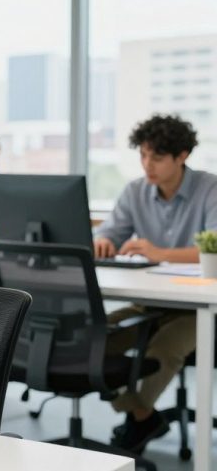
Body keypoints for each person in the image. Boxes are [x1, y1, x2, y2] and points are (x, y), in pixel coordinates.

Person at [94, 114, 217, 453]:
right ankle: (143, 414)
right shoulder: (136, 190)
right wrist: (104, 240)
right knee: (94, 336)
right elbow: (110, 231)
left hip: (199, 308)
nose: (148, 165)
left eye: (157, 157)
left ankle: (139, 417)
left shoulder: (210, 188)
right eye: (143, 155)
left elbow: (215, 249)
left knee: (162, 349)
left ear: (182, 156)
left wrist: (160, 252)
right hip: (150, 302)